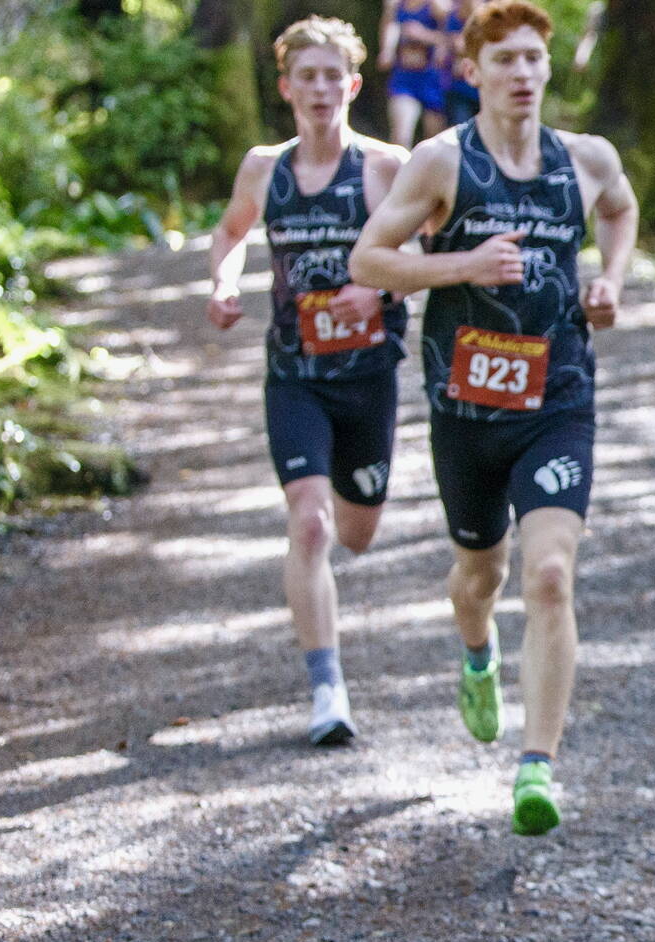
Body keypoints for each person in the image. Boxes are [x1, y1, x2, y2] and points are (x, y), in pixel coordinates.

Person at [351, 0, 637, 835]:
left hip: (559, 400)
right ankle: (477, 651)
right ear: (470, 72)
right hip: (466, 407)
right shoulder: (442, 163)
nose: (521, 73)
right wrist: (462, 263)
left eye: (532, 59)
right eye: (503, 59)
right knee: (480, 576)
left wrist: (611, 278)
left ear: (549, 69)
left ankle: (537, 765)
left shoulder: (586, 160)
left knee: (550, 574)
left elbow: (619, 210)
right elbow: (370, 259)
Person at [205, 16, 410, 748]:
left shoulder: (387, 168)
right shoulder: (265, 168)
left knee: (356, 531)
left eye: (334, 77)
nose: (320, 90)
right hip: (293, 374)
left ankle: (328, 629)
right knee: (311, 523)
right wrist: (225, 282)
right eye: (307, 77)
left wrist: (380, 294)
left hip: (368, 376)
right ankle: (327, 687)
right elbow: (231, 231)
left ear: (352, 86)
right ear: (286, 88)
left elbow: (425, 252)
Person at [378, 0, 450, 144]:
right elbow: (389, 27)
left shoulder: (438, 6)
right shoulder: (395, 5)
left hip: (432, 81)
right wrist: (387, 51)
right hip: (404, 79)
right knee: (401, 137)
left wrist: (423, 35)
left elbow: (450, 39)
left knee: (434, 141)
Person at [441, 0, 481, 124]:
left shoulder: (489, 20)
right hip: (459, 89)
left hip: (483, 90)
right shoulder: (453, 18)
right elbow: (452, 47)